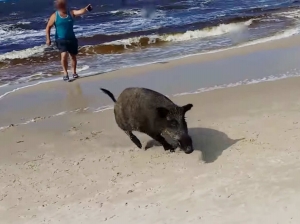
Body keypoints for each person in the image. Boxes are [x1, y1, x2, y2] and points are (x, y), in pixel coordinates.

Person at [46, 0, 92, 81]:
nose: (62, 7)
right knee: (63, 55)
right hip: (60, 39)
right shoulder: (55, 16)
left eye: (63, 5)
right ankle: (65, 73)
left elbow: (80, 12)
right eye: (60, 6)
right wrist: (48, 39)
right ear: (58, 7)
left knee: (73, 56)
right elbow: (48, 27)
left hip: (71, 39)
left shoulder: (71, 13)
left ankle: (74, 72)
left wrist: (86, 9)